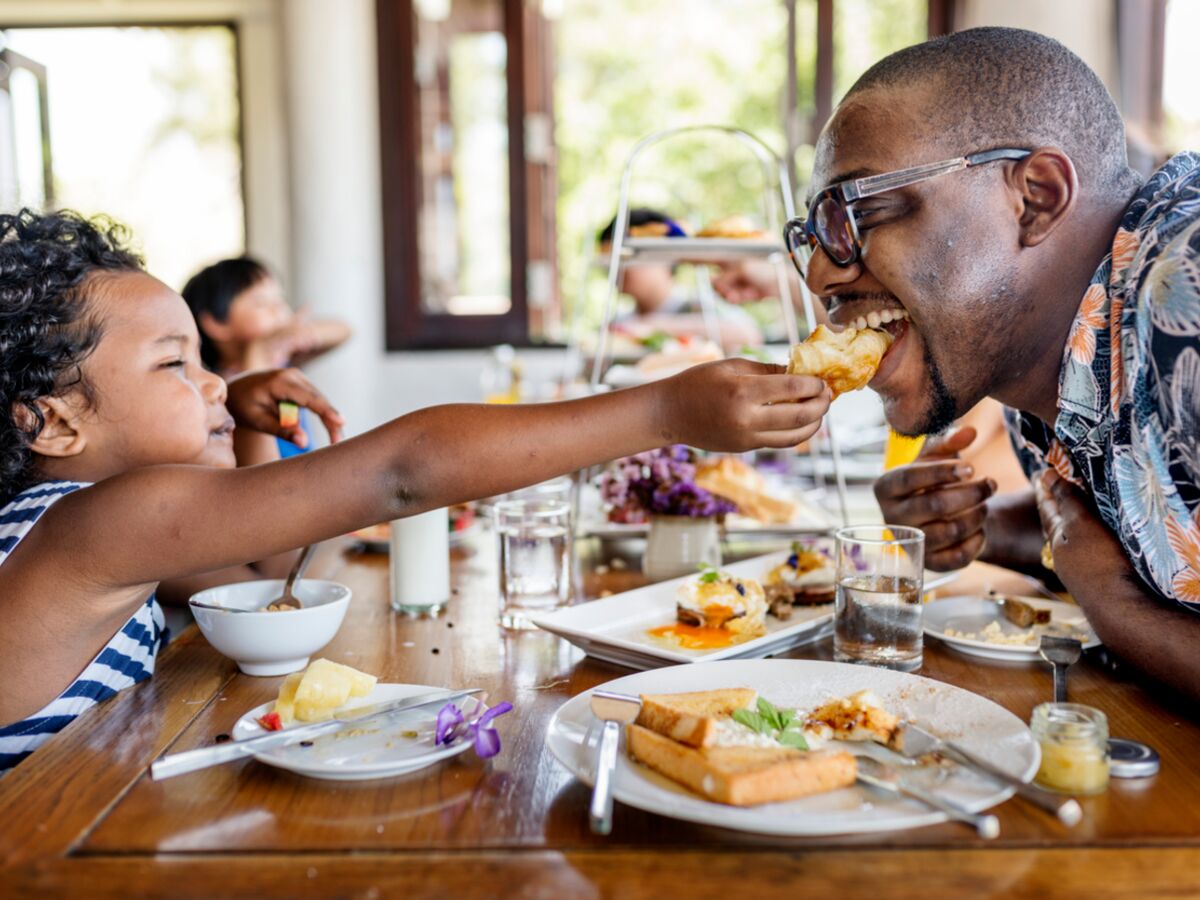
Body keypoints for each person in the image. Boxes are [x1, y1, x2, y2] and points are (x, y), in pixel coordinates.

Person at [0, 209, 831, 773]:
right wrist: (664, 407)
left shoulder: (86, 534)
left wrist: (243, 417)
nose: (214, 383)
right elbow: (400, 472)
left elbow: (263, 571)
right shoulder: (92, 530)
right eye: (175, 364)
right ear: (52, 423)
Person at [789, 27, 1200, 699]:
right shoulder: (1049, 360)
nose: (819, 272)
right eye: (813, 233)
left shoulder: (1184, 294)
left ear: (1034, 198)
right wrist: (1001, 531)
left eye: (859, 210)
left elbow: (1109, 582)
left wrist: (1115, 607)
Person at [181, 256, 351, 456]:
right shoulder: (220, 389)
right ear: (216, 323)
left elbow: (344, 330)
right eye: (262, 303)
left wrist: (306, 332)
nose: (278, 309)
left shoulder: (283, 361)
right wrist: (259, 348)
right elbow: (256, 385)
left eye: (280, 300)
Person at [599, 208, 763, 352]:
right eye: (610, 261)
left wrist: (654, 326)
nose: (617, 269)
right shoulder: (620, 321)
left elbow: (749, 334)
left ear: (666, 256)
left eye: (627, 258)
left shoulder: (698, 305)